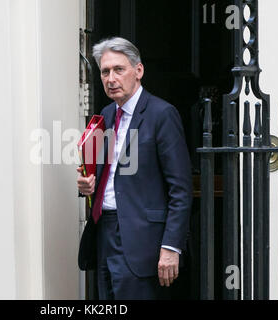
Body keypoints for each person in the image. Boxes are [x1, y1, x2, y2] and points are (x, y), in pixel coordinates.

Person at [77, 37, 192, 300]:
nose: (110, 78)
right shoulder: (105, 114)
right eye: (105, 71)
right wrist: (88, 184)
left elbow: (181, 189)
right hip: (103, 234)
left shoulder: (162, 114)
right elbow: (108, 174)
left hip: (143, 241)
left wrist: (171, 246)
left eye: (119, 69)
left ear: (138, 71)